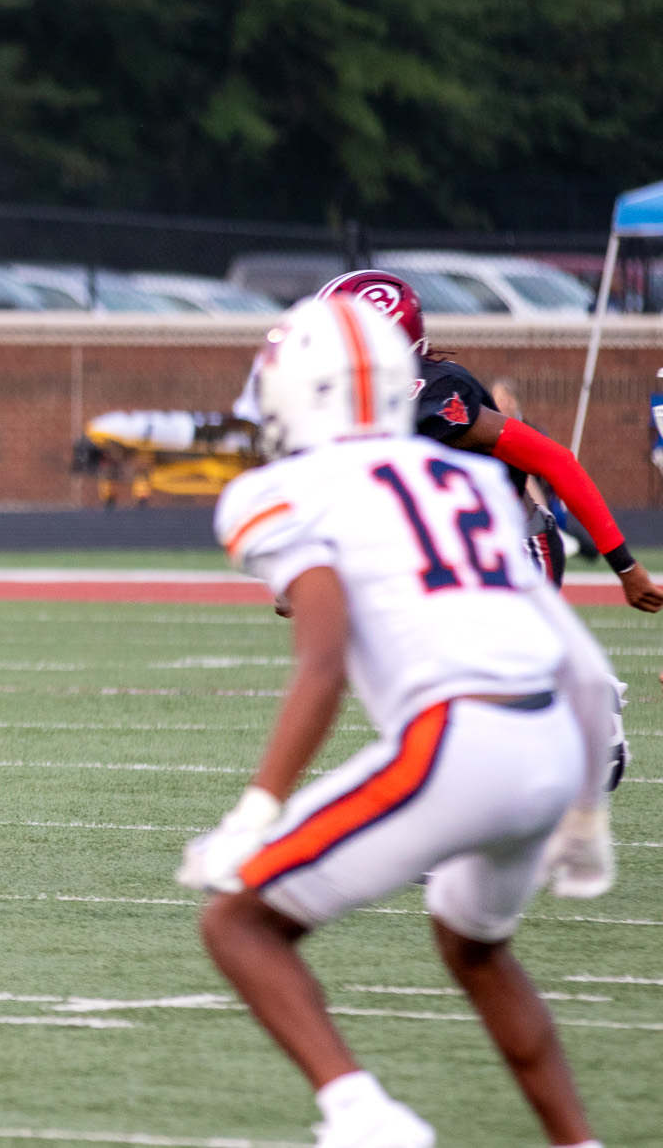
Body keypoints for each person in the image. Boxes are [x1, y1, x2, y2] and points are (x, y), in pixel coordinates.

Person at [186, 296, 619, 1148]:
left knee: (236, 922)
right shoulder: (468, 478)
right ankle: (578, 1140)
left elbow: (321, 660)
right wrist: (585, 808)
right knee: (475, 947)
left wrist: (256, 808)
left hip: (459, 741)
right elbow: (571, 650)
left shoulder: (277, 493)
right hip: (550, 736)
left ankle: (364, 1117)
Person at [317, 269, 662, 609]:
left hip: (511, 548)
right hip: (439, 554)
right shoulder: (347, 408)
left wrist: (625, 567)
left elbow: (555, 461)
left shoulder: (433, 397)